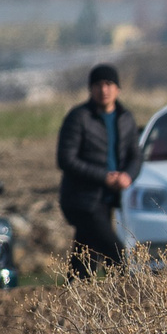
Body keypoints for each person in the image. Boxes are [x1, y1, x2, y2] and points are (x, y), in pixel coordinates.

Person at [57, 63, 140, 278]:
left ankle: (75, 294)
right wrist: (103, 177)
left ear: (117, 88)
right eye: (98, 85)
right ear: (90, 89)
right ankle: (125, 294)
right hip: (82, 200)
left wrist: (127, 176)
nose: (104, 90)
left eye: (108, 84)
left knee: (85, 260)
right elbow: (66, 159)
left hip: (108, 200)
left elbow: (135, 155)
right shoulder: (79, 117)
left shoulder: (125, 118)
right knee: (116, 254)